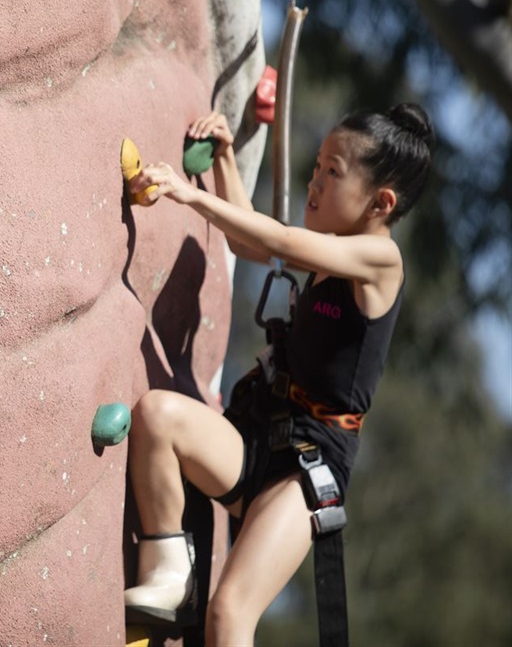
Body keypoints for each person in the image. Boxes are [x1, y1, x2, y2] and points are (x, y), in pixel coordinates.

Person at [124, 103, 435, 644]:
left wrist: (188, 194)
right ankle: (170, 574)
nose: (314, 182)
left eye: (333, 171)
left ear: (381, 203)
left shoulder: (382, 261)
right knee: (156, 416)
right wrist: (225, 159)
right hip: (258, 433)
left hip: (307, 466)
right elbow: (248, 243)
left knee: (229, 612)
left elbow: (280, 242)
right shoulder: (332, 253)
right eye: (317, 166)